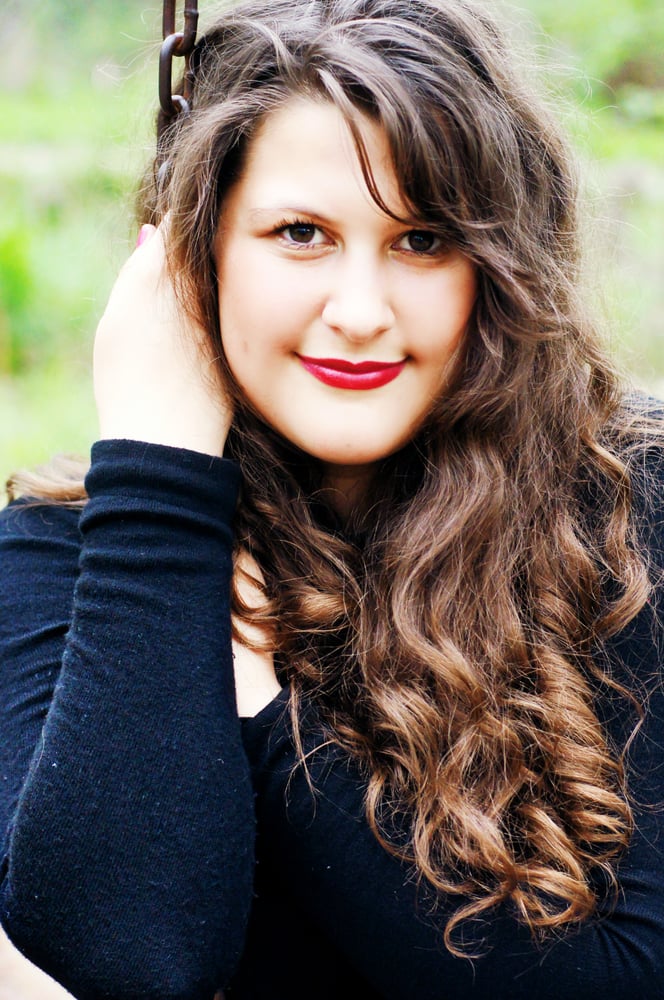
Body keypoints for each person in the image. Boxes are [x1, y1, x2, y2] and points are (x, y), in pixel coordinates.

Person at [1, 0, 663, 997]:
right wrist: (158, 473)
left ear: (500, 269)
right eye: (300, 233)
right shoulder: (67, 557)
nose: (359, 312)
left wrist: (259, 702)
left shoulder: (626, 505)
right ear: (190, 257)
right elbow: (134, 954)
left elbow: (624, 977)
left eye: (423, 239)